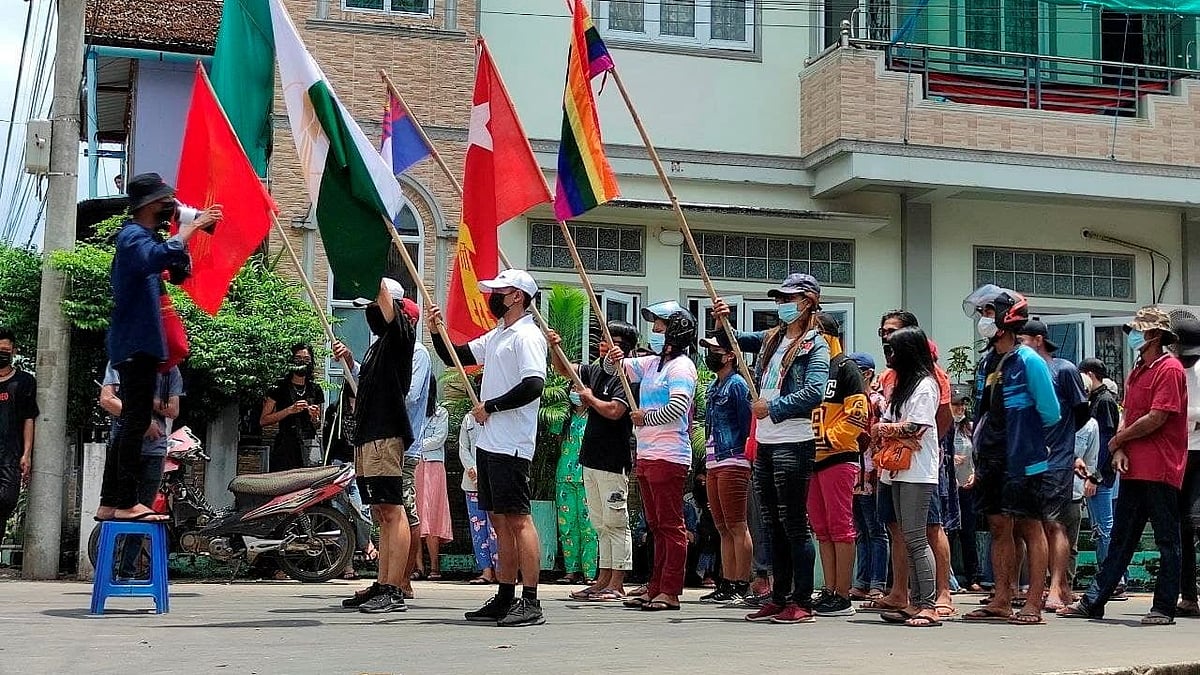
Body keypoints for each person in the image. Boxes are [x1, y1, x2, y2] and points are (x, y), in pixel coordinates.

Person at [429, 268, 548, 627]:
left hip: (511, 443)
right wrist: (438, 331)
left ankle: (531, 600)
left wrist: (491, 406)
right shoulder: (499, 335)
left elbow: (534, 385)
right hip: (489, 441)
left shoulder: (527, 336)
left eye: (501, 291)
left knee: (518, 519)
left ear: (517, 297)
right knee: (499, 521)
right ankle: (505, 594)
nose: (493, 296)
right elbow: (456, 356)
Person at [100, 173, 219, 522]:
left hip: (139, 342)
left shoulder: (144, 240)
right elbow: (158, 256)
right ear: (150, 204)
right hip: (137, 342)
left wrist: (186, 243)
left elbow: (174, 267)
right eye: (165, 201)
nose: (171, 205)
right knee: (134, 421)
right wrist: (193, 226)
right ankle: (124, 501)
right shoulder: (133, 237)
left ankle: (110, 501)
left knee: (132, 422)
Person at [715, 272, 830, 625]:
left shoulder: (816, 344)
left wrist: (774, 408)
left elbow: (814, 391)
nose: (781, 305)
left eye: (788, 299)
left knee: (794, 524)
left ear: (807, 302)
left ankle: (802, 600)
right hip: (765, 442)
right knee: (770, 523)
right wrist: (723, 321)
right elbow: (732, 342)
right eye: (779, 299)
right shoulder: (772, 339)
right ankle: (778, 596)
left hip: (793, 441)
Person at [1060, 307, 1186, 625]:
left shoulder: (1169, 369)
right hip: (1135, 466)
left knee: (1167, 540)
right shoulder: (1139, 369)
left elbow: (1157, 417)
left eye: (1139, 331)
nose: (1133, 337)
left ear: (1154, 336)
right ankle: (1094, 601)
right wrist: (1119, 448)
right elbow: (1127, 414)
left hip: (1161, 467)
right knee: (1120, 538)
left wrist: (1118, 442)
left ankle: (1164, 607)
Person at [961, 285, 1060, 626]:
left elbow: (1051, 411)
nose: (984, 320)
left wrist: (1025, 438)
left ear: (1007, 317)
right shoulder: (988, 361)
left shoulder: (1029, 360)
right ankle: (1001, 598)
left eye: (989, 312)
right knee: (998, 525)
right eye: (983, 313)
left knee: (1031, 527)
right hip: (991, 458)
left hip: (1024, 459)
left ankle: (1033, 602)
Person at [604, 300, 698, 613]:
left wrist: (646, 417)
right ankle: (655, 584)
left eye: (659, 325)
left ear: (674, 330)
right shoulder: (652, 364)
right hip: (647, 454)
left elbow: (678, 408)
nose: (654, 331)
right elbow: (613, 369)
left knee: (670, 526)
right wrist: (613, 357)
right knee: (655, 525)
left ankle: (669, 590)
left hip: (669, 455)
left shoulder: (681, 367)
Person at [866, 310, 956, 619]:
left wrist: (884, 430)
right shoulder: (901, 384)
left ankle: (927, 604)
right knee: (905, 534)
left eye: (895, 348)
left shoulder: (926, 384)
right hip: (896, 468)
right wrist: (889, 430)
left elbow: (917, 427)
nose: (889, 351)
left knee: (917, 536)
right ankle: (913, 601)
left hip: (917, 470)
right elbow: (896, 423)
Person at [337, 278, 417, 614]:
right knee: (381, 512)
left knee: (392, 509)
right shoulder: (378, 344)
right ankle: (382, 581)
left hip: (386, 434)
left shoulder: (400, 336)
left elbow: (386, 300)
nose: (369, 312)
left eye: (373, 305)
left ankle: (394, 587)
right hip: (369, 435)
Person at [548, 320, 638, 602]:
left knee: (616, 521)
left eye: (609, 340)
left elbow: (614, 411)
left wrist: (590, 399)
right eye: (601, 338)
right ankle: (602, 579)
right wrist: (555, 347)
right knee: (599, 523)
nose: (602, 343)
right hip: (591, 457)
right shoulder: (595, 370)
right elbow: (564, 368)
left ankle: (618, 582)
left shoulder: (627, 377)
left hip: (613, 460)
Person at [1015, 319, 1089, 610]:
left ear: (1037, 339)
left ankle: (1059, 586)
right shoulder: (1019, 370)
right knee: (1027, 524)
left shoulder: (1064, 369)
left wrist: (1063, 442)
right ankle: (1033, 584)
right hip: (1026, 457)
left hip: (1056, 457)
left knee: (1054, 522)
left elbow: (1081, 412)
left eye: (1022, 339)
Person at [809, 313, 869, 617]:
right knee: (821, 527)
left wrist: (830, 439)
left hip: (838, 457)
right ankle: (829, 589)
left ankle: (843, 594)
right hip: (811, 460)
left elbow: (858, 413)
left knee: (840, 527)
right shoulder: (810, 368)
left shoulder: (846, 368)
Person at [696, 331, 753, 604]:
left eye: (715, 350)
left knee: (736, 524)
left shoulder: (738, 385)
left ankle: (740, 584)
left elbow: (746, 425)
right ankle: (727, 582)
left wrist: (746, 456)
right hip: (714, 459)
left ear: (731, 355)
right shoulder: (714, 386)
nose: (710, 355)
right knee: (721, 526)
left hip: (733, 458)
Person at [1078, 357, 1129, 600]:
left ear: (1090, 374)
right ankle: (1115, 577)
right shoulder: (1094, 400)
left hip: (1101, 476)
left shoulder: (1105, 401)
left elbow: (1106, 443)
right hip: (1095, 474)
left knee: (1104, 528)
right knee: (1103, 528)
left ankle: (1115, 580)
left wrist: (1096, 476)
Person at [322, 386, 377, 580]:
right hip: (339, 464)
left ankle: (365, 543)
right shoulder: (335, 410)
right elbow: (327, 440)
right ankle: (347, 566)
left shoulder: (369, 408)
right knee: (340, 514)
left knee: (363, 510)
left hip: (360, 463)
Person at [848, 351, 889, 601]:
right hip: (854, 475)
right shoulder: (851, 402)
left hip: (873, 474)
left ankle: (878, 581)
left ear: (866, 373)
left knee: (876, 531)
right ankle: (862, 581)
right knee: (861, 531)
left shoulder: (877, 402)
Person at [553, 390, 598, 586]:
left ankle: (589, 572)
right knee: (567, 526)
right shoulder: (563, 416)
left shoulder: (596, 415)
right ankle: (571, 571)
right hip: (564, 476)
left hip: (588, 476)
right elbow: (558, 441)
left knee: (589, 528)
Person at [259, 343, 323, 472]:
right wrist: (289, 410)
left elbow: (317, 425)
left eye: (306, 359)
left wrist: (314, 417)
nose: (302, 362)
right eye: (298, 358)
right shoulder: (279, 387)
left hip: (308, 445)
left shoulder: (315, 389)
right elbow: (264, 420)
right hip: (285, 445)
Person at [0, 329, 36, 546]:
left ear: (14, 350)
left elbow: (29, 418)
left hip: (11, 453)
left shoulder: (24, 382)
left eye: (5, 350)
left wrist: (27, 454)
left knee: (7, 499)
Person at [1174, 318, 1200, 617]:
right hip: (1179, 452)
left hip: (1198, 453)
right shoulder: (1173, 368)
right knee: (1181, 528)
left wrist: (1186, 416)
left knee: (1194, 521)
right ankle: (1188, 595)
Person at [414, 390, 452, 581]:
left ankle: (435, 566)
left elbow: (439, 439)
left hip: (434, 467)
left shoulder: (441, 413)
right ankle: (418, 566)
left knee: (432, 515)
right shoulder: (412, 411)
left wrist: (416, 444)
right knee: (415, 514)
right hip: (415, 465)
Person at [948, 387, 982, 592]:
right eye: (956, 404)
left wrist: (975, 474)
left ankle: (973, 577)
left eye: (962, 404)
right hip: (950, 485)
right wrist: (951, 460)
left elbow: (978, 454)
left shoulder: (970, 428)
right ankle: (948, 577)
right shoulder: (944, 426)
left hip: (967, 485)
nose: (960, 408)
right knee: (949, 532)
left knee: (969, 533)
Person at [459, 412, 498, 585]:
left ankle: (502, 570)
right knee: (478, 528)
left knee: (496, 528)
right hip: (472, 481)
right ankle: (486, 570)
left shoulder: (498, 415)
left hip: (494, 481)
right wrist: (472, 468)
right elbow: (463, 447)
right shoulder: (468, 418)